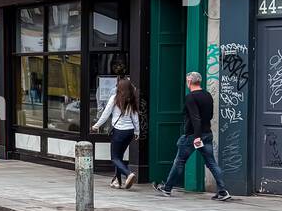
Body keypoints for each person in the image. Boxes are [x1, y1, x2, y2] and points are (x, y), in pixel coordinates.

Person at [155, 72, 232, 201]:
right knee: (211, 163)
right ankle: (222, 191)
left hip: (193, 135)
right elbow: (210, 115)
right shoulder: (207, 95)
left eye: (187, 80)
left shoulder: (191, 97)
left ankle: (167, 188)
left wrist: (197, 136)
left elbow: (195, 118)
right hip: (207, 134)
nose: (186, 83)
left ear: (190, 82)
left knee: (179, 161)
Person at [92, 77, 140, 189]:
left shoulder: (115, 98)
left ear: (120, 87)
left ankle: (128, 174)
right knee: (119, 156)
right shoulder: (131, 99)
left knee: (114, 158)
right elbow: (135, 116)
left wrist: (96, 126)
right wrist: (137, 131)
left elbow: (106, 114)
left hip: (119, 131)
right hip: (130, 131)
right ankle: (117, 181)